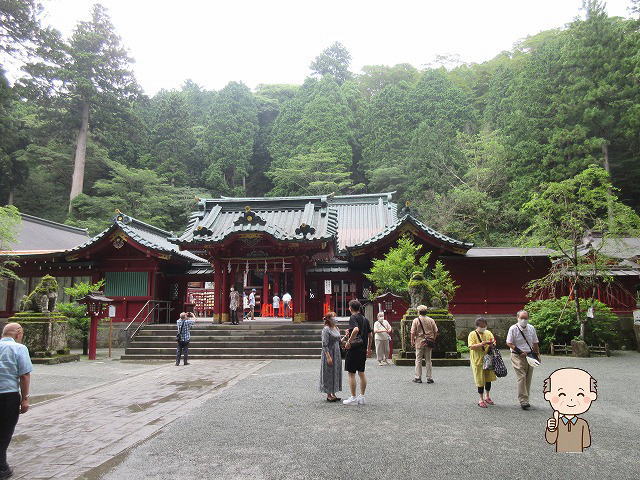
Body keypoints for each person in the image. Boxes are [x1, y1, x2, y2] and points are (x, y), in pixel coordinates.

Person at [0, 323, 32, 480]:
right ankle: (2, 467)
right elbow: (24, 375)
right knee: (4, 431)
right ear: (18, 333)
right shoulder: (20, 349)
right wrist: (25, 398)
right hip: (8, 394)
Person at [544, 368, 597, 452]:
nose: (571, 400)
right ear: (548, 395)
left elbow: (586, 443)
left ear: (592, 396)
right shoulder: (558, 422)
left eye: (580, 394)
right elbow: (551, 440)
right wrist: (551, 429)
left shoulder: (582, 423)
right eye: (562, 394)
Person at [506, 309, 541, 410]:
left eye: (526, 318)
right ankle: (523, 400)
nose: (524, 320)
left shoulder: (531, 328)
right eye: (522, 318)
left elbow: (535, 343)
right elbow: (509, 343)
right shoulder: (513, 329)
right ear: (517, 318)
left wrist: (537, 355)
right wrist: (519, 351)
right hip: (517, 356)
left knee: (528, 378)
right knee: (521, 377)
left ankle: (526, 399)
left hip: (530, 356)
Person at [342, 300, 372, 406]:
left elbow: (355, 329)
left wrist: (349, 342)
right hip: (363, 350)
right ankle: (362, 397)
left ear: (350, 308)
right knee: (361, 373)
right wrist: (368, 349)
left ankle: (353, 397)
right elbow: (370, 335)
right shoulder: (365, 319)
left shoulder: (353, 317)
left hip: (354, 349)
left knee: (351, 374)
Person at [468, 317, 497, 408]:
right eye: (481, 326)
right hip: (478, 360)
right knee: (480, 379)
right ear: (477, 326)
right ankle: (480, 399)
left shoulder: (488, 333)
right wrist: (481, 344)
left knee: (488, 378)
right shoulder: (472, 334)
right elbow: (471, 346)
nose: (483, 328)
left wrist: (492, 344)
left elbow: (494, 341)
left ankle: (487, 396)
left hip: (488, 359)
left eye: (485, 326)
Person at [410, 305, 438, 384]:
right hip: (429, 342)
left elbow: (412, 332)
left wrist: (412, 341)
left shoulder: (416, 320)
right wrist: (433, 338)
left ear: (418, 312)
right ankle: (429, 377)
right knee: (428, 360)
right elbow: (436, 331)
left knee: (418, 360)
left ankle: (418, 377)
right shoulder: (431, 320)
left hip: (419, 341)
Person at [320, 311, 342, 402]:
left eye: (335, 316)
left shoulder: (336, 328)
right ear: (328, 319)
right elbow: (324, 344)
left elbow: (339, 340)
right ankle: (328, 394)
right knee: (328, 372)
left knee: (336, 372)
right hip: (329, 352)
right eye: (333, 317)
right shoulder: (326, 329)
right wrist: (328, 357)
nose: (335, 318)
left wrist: (346, 336)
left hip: (337, 353)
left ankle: (334, 392)